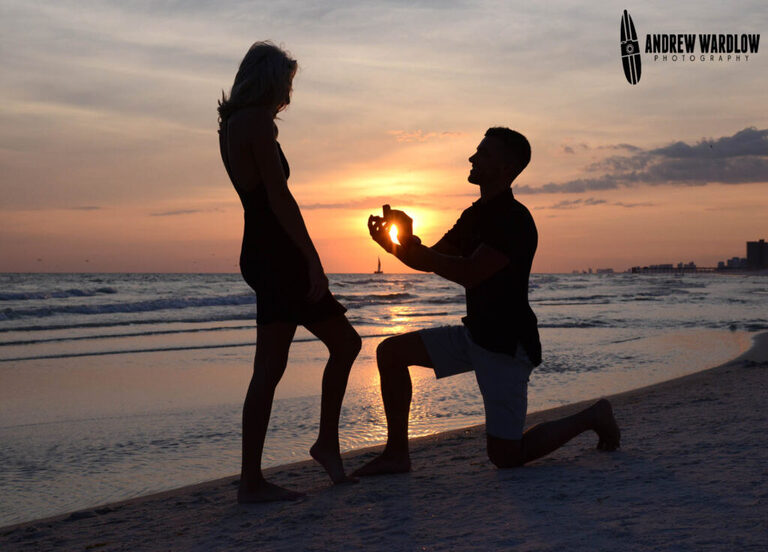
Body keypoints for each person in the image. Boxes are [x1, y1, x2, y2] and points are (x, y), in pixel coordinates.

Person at [356, 127, 620, 476]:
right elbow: (431, 259)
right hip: (476, 335)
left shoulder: (514, 219)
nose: (472, 158)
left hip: (506, 345)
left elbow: (469, 272)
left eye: (483, 153)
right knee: (391, 353)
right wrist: (398, 240)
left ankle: (593, 416)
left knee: (506, 456)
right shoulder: (473, 215)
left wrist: (413, 248)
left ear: (506, 166)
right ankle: (396, 455)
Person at [218, 42, 361, 502]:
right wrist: (313, 258)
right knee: (340, 345)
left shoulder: (230, 125)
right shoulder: (259, 123)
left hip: (260, 248)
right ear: (271, 79)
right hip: (278, 251)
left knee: (274, 366)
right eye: (287, 80)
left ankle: (256, 478)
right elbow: (280, 198)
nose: (289, 91)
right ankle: (268, 473)